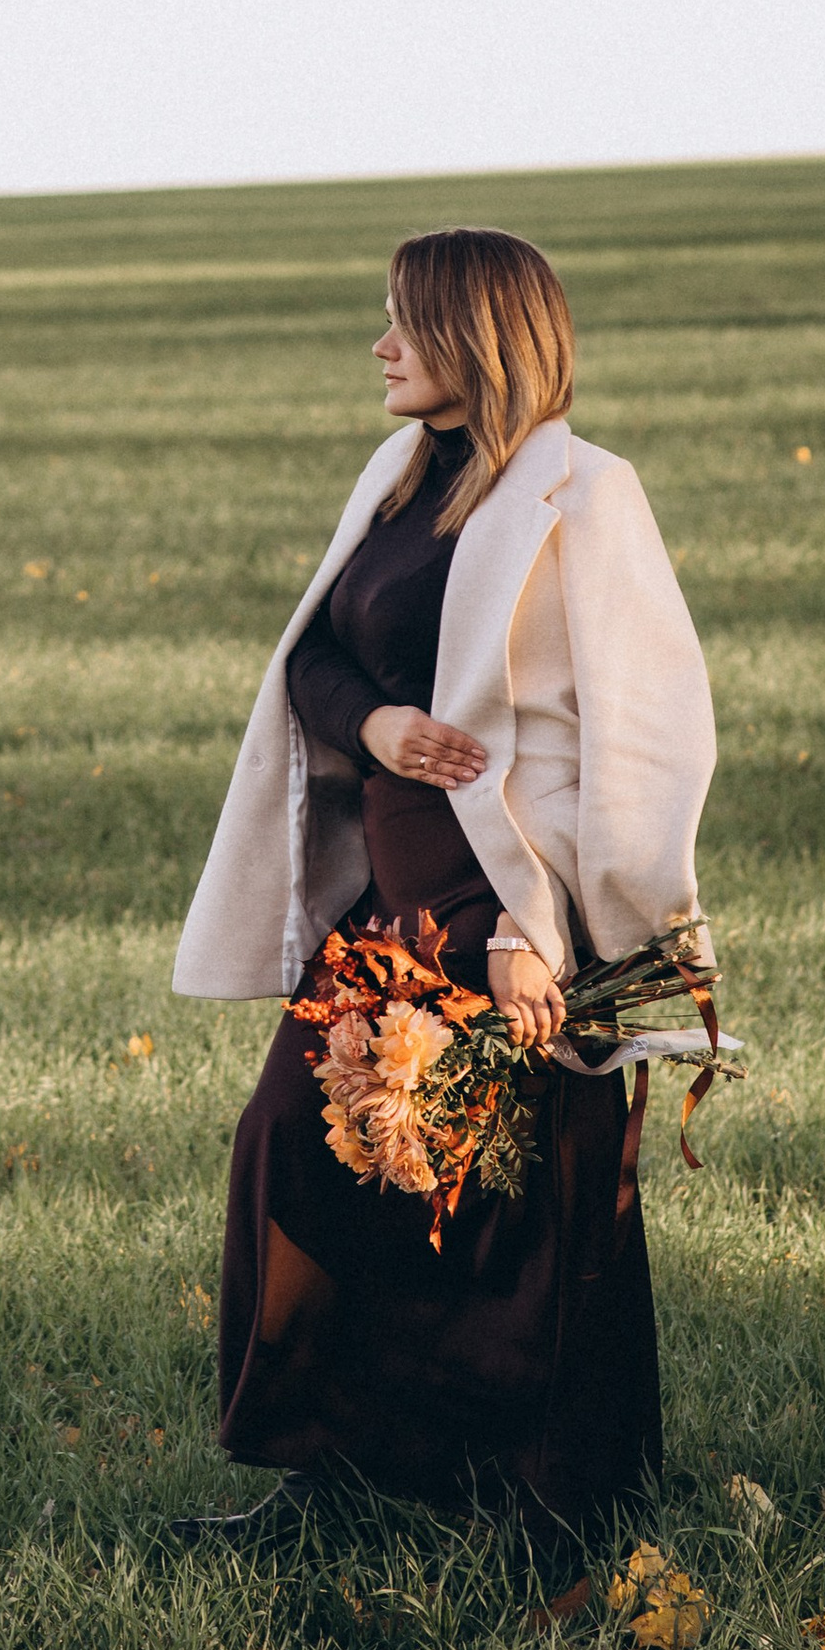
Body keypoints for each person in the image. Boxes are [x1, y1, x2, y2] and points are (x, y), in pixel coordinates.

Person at [170, 226, 717, 1540]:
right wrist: (382, 732)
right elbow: (307, 663)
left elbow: (637, 738)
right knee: (301, 1154)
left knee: (511, 1219)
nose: (381, 347)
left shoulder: (589, 495)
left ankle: (548, 1510)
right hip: (390, 909)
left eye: (402, 325)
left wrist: (547, 936)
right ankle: (331, 1476)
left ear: (476, 338)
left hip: (515, 919)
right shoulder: (401, 478)